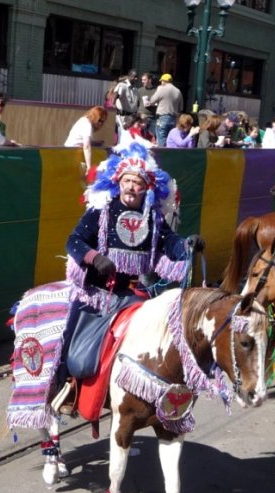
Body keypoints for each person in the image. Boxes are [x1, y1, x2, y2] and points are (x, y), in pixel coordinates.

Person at [62, 142, 204, 383]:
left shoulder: (153, 216)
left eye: (137, 182)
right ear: (118, 183)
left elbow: (168, 242)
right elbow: (73, 241)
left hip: (127, 295)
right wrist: (95, 258)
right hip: (91, 293)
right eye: (126, 181)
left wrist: (187, 246)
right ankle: (64, 385)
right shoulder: (101, 210)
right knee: (71, 343)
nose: (130, 186)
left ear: (146, 188)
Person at [64, 105, 107, 171]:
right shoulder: (87, 124)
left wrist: (94, 143)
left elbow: (82, 142)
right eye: (100, 120)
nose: (100, 124)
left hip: (71, 152)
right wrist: (89, 167)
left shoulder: (84, 120)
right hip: (71, 153)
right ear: (94, 117)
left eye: (103, 122)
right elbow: (86, 146)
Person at [145, 73, 183, 146]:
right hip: (174, 118)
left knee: (161, 139)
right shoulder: (178, 91)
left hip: (162, 117)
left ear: (164, 81)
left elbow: (152, 100)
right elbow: (180, 108)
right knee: (170, 139)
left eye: (161, 81)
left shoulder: (162, 88)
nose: (161, 83)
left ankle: (161, 156)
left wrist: (158, 90)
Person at [137, 72, 157, 136]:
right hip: (142, 117)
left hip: (152, 118)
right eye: (142, 80)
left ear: (150, 80)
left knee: (151, 136)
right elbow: (136, 104)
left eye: (144, 80)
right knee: (140, 136)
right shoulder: (139, 90)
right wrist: (139, 114)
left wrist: (153, 104)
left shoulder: (156, 90)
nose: (142, 81)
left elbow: (160, 103)